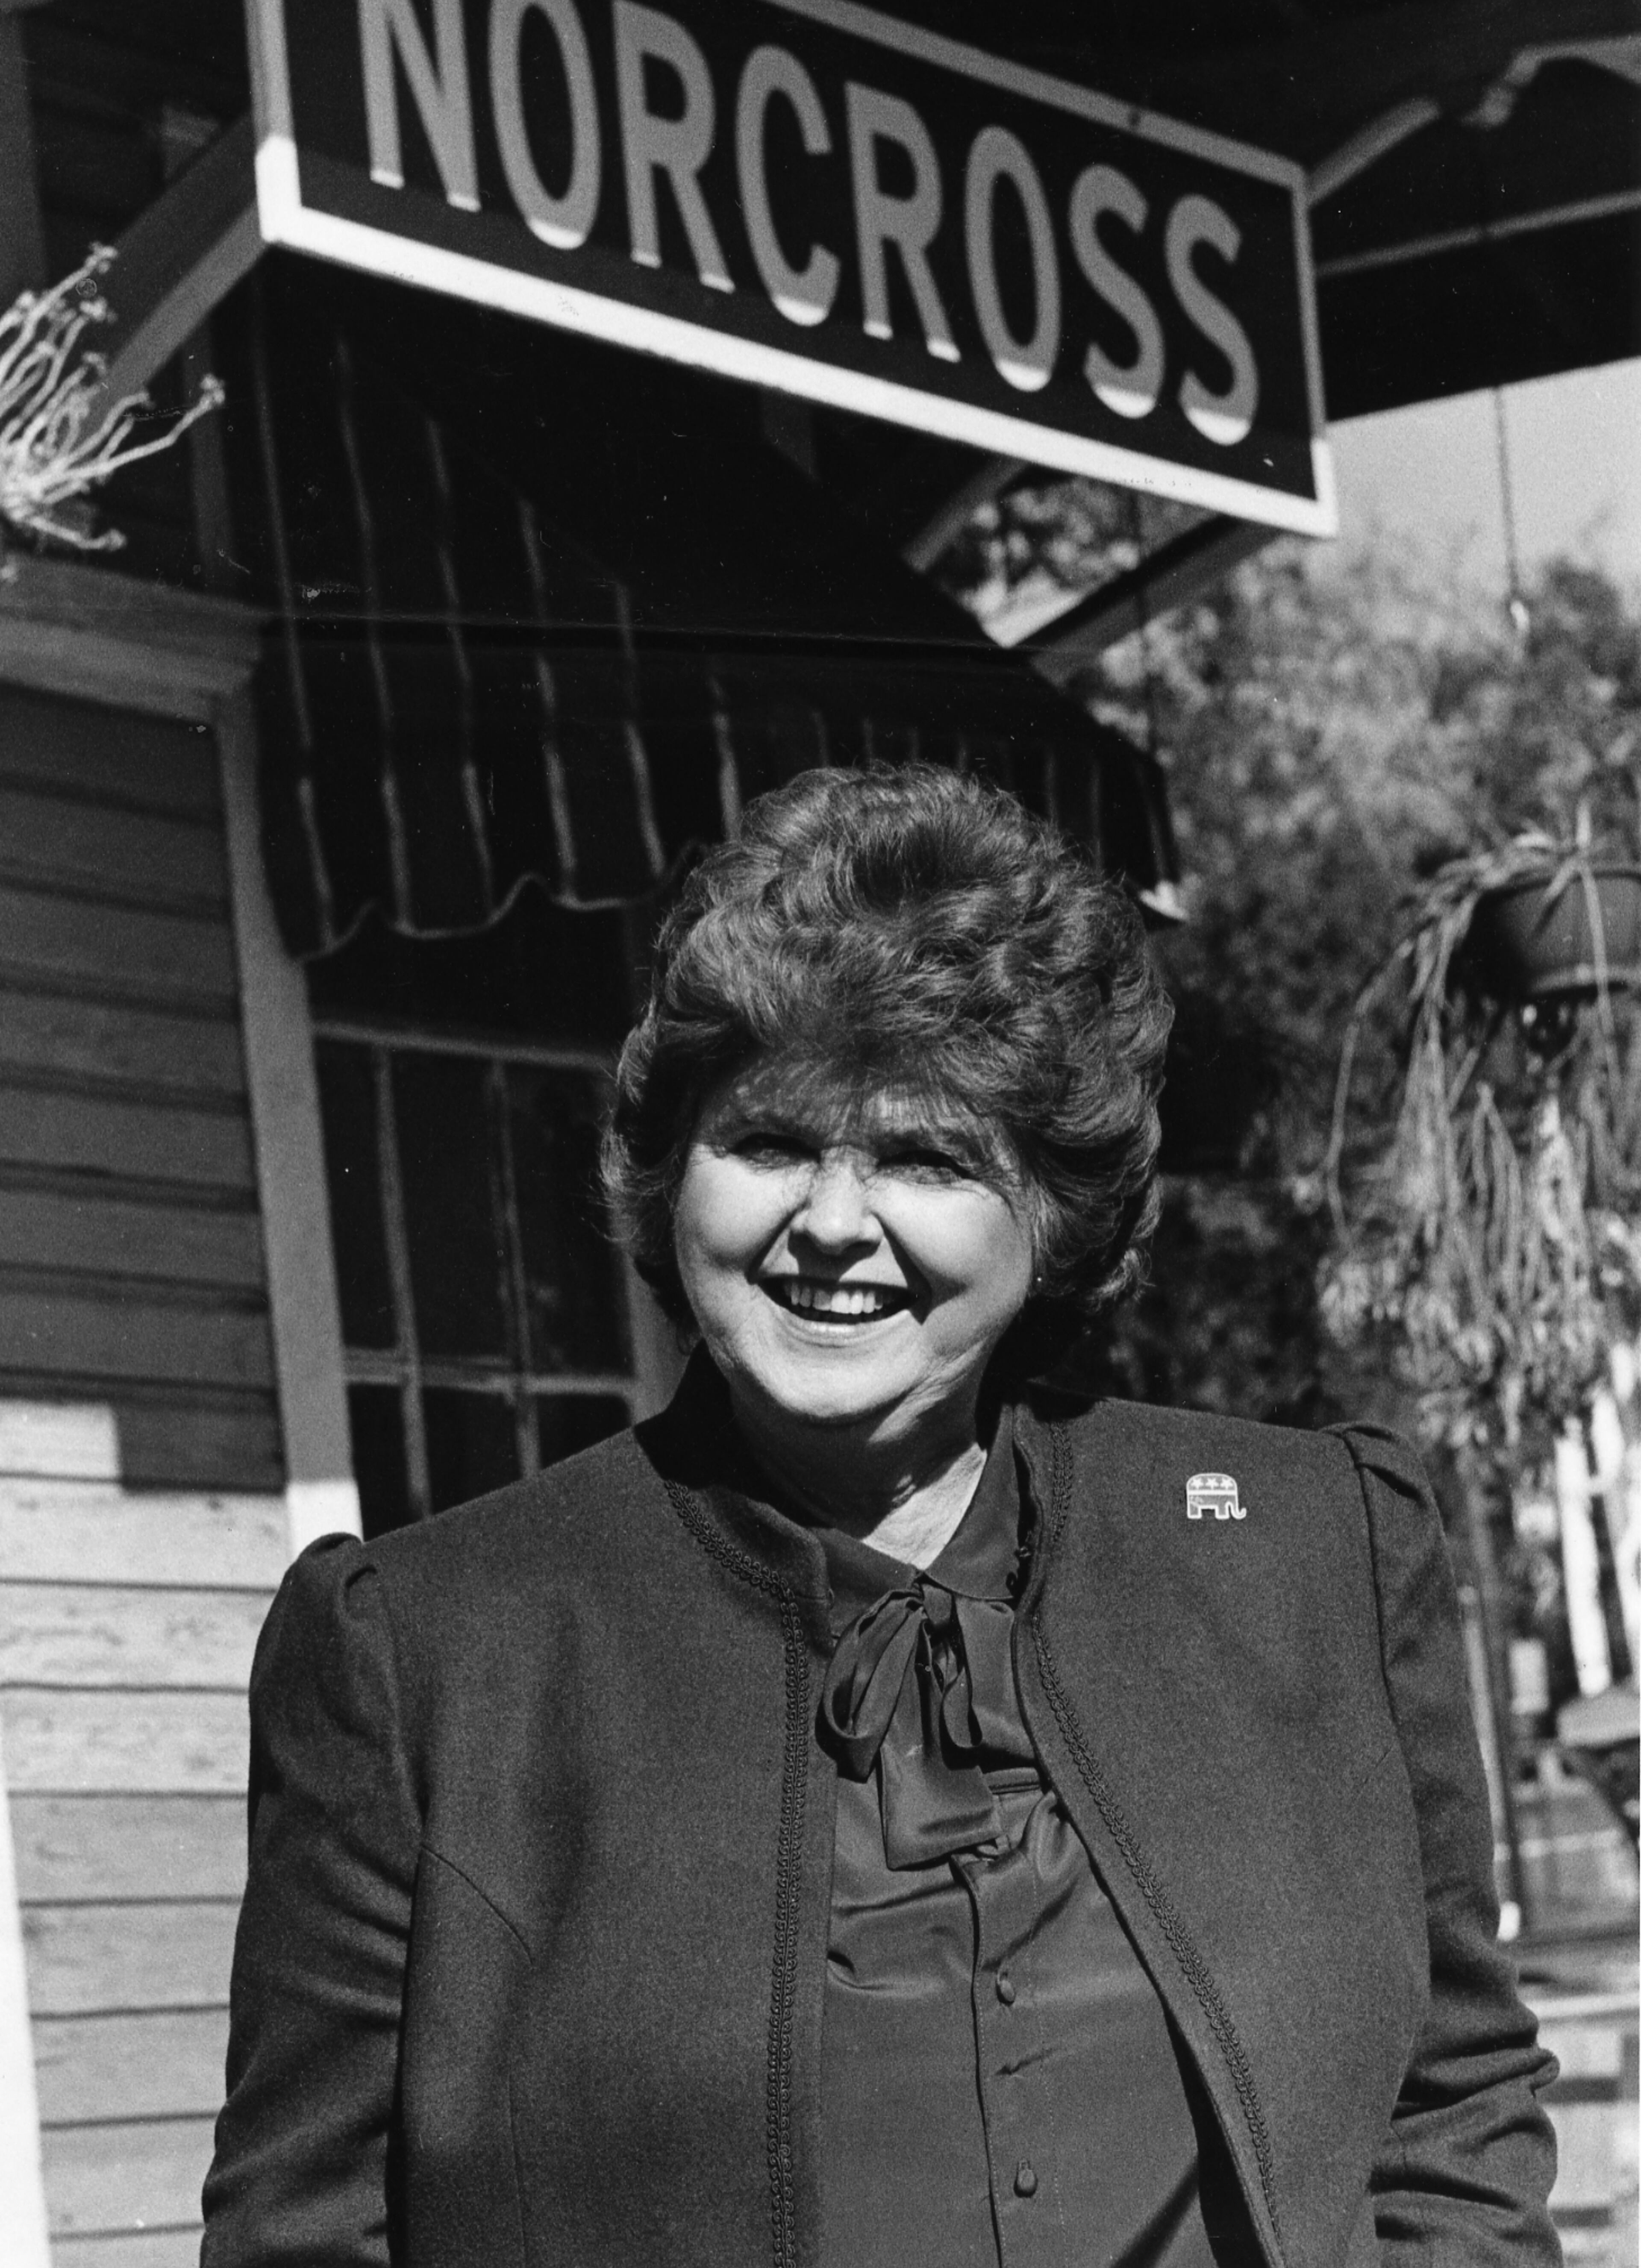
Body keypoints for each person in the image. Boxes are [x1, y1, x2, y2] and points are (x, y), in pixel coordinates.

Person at [202, 763, 1560, 2268]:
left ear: (1050, 1217)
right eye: (772, 1142)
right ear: (672, 1180)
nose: (834, 1224)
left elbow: (1455, 2098)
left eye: (924, 1157)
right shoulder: (427, 1654)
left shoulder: (1320, 1550)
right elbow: (304, 2234)